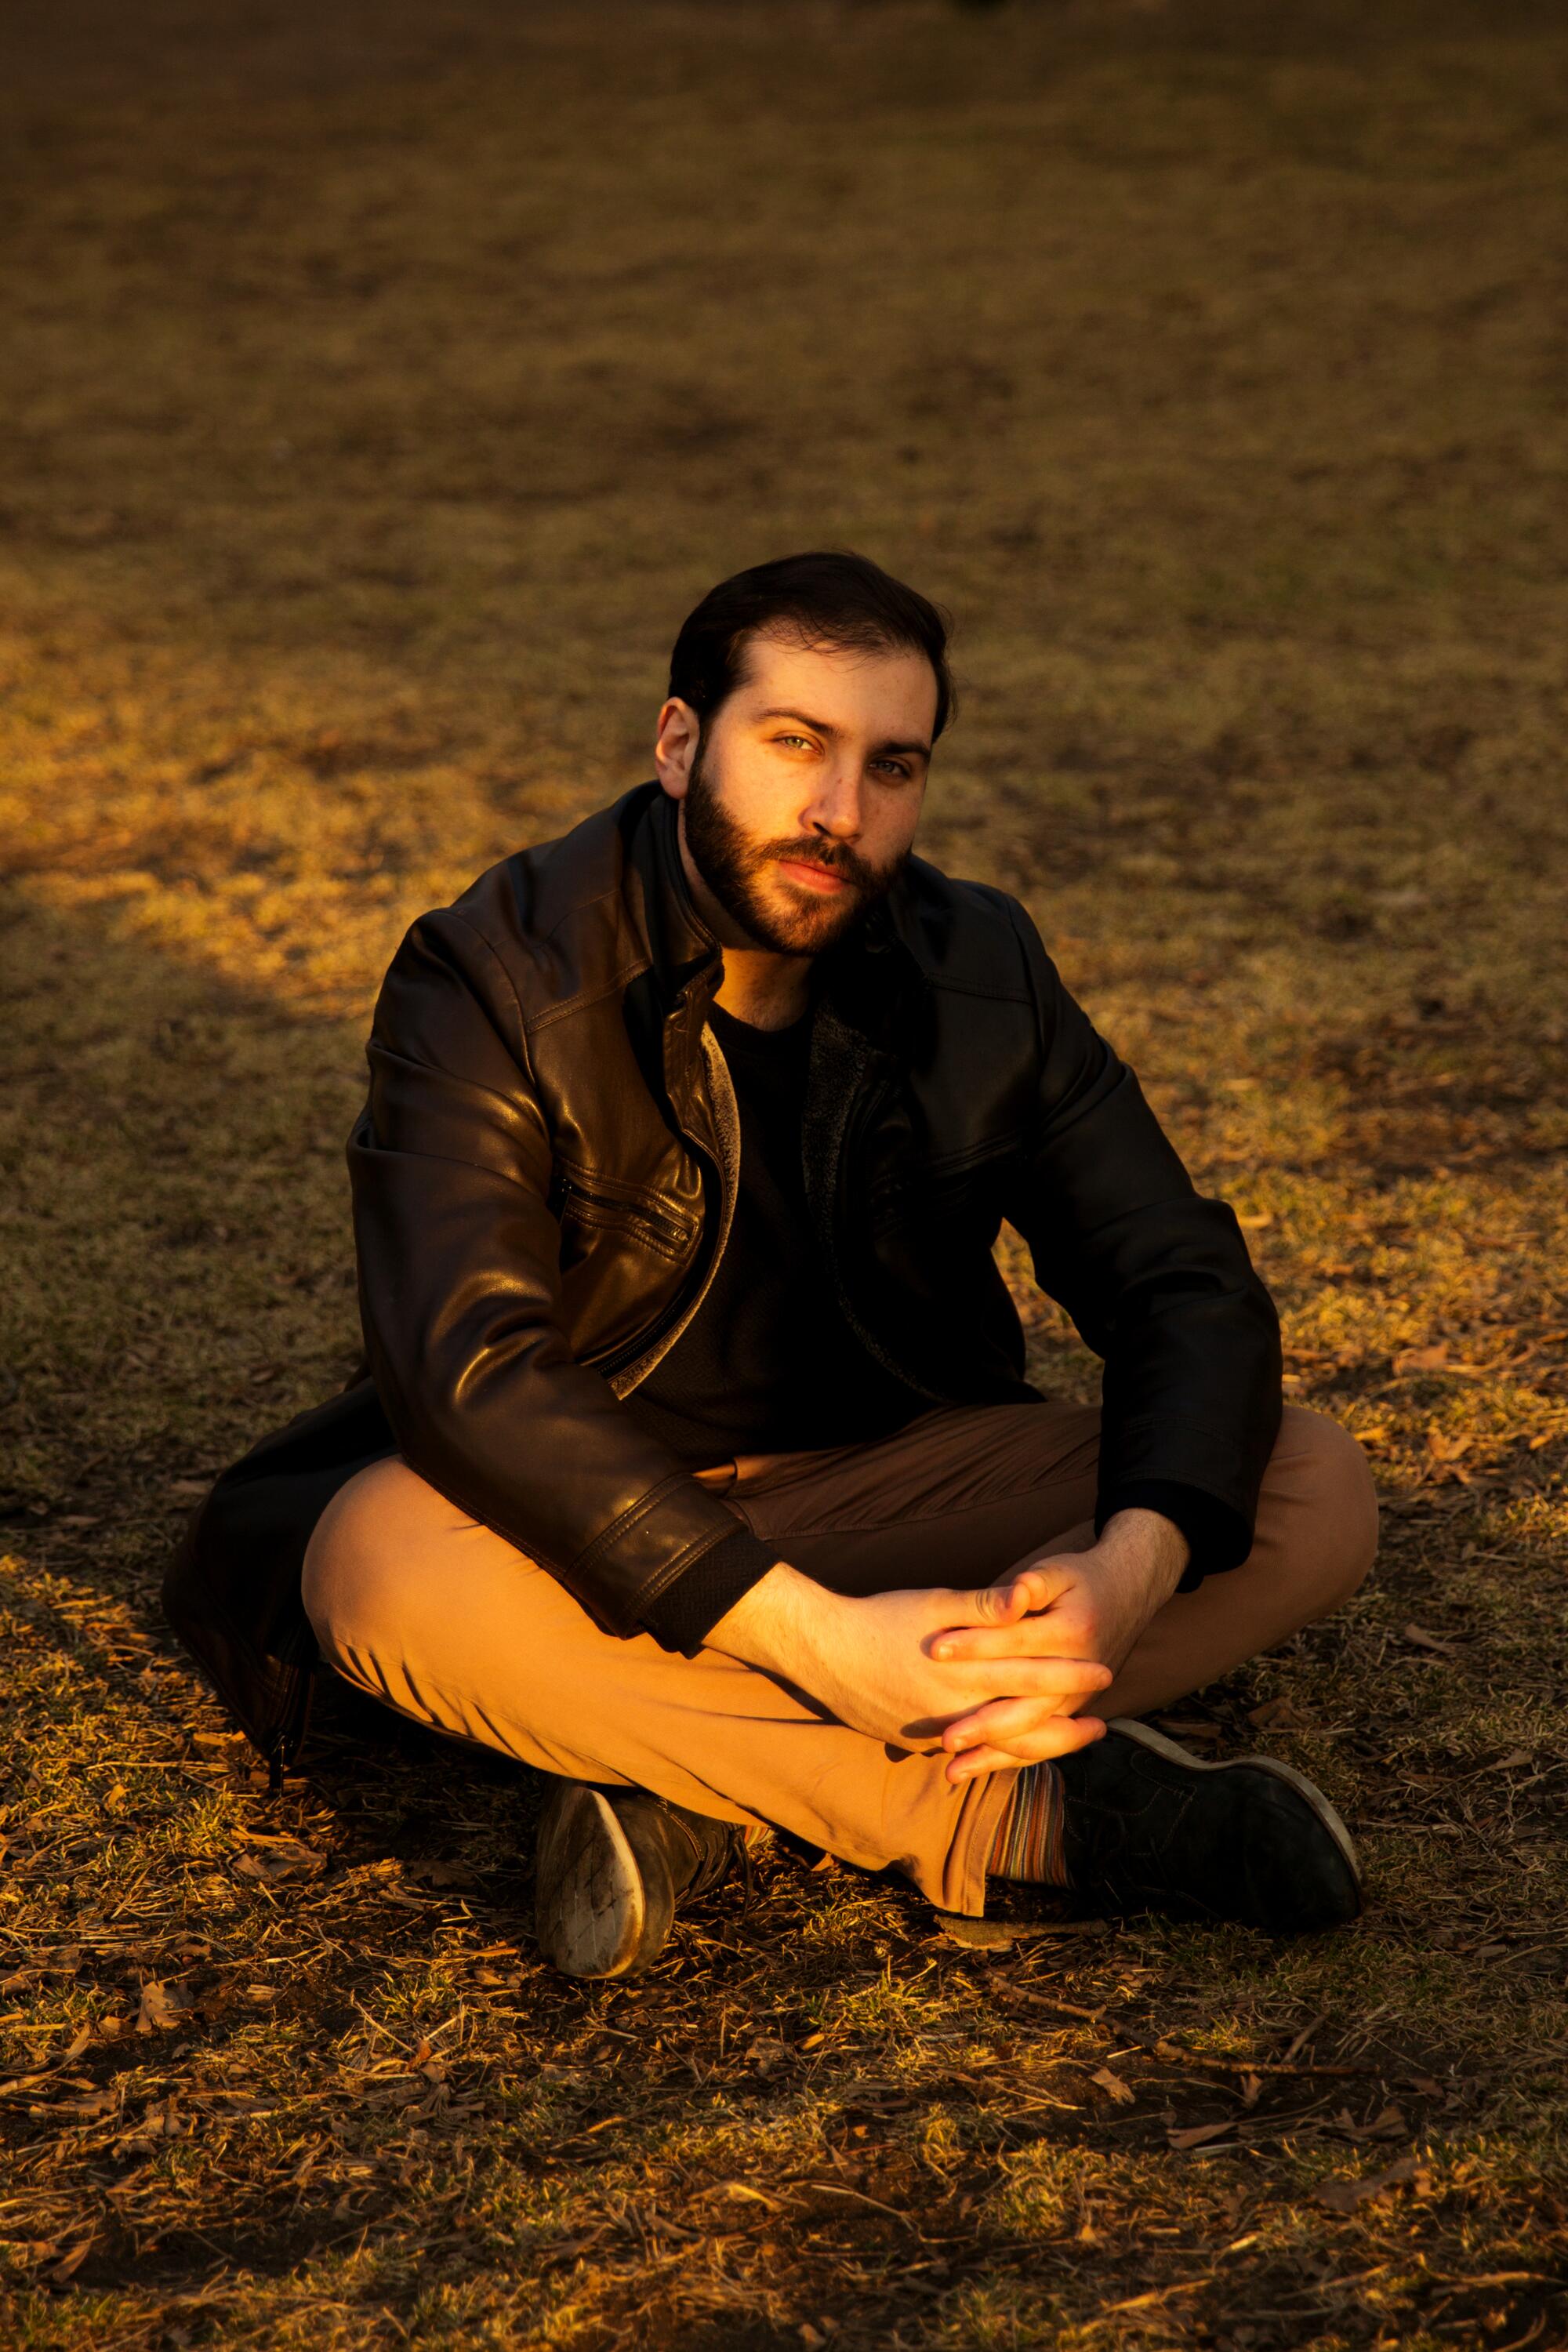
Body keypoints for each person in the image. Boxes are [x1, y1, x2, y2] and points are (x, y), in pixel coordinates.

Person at [164, 551, 1378, 1980]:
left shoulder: (979, 967)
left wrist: (1128, 1567)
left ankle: (686, 1777)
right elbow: (468, 1370)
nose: (841, 813)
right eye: (795, 743)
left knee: (1303, 1483)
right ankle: (1020, 1819)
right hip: (573, 1537)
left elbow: (1182, 1280)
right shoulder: (491, 973)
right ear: (681, 744)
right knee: (375, 1562)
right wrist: (815, 1643)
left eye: (894, 765)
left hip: (896, 1483)